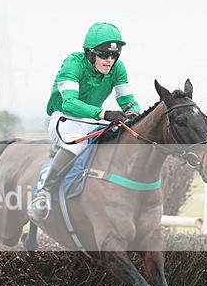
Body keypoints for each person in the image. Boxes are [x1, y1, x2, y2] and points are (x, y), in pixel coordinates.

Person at [27, 22, 141, 222]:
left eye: (114, 55)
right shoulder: (73, 63)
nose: (110, 60)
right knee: (77, 144)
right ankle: (43, 193)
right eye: (104, 55)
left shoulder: (118, 68)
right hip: (65, 118)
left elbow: (128, 100)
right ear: (90, 53)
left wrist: (132, 113)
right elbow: (69, 103)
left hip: (93, 120)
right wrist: (104, 113)